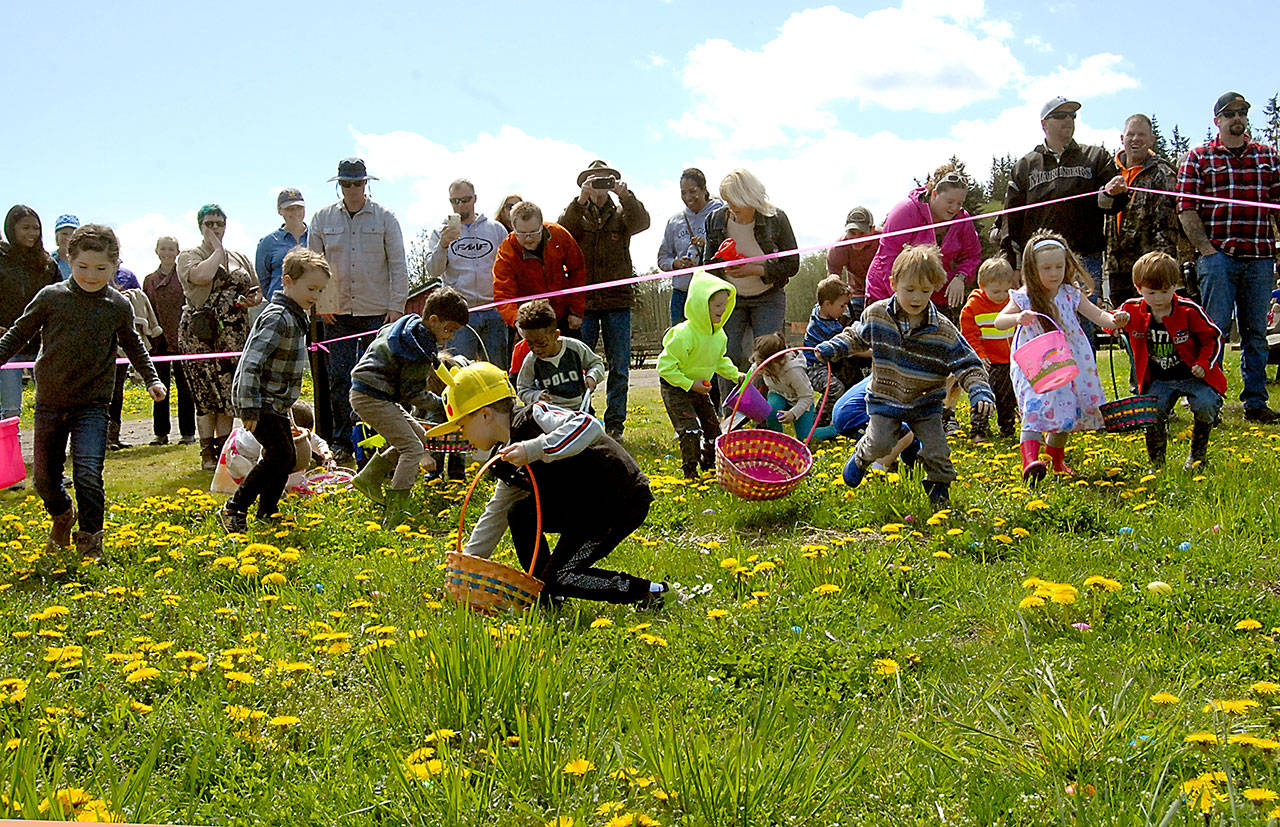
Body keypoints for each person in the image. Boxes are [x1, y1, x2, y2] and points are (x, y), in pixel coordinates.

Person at [425, 361, 668, 607]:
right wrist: (465, 569)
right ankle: (548, 592)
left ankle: (652, 592)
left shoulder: (534, 417)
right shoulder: (505, 458)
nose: (463, 434)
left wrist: (535, 448)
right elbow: (496, 512)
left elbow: (588, 425)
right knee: (519, 513)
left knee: (562, 576)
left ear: (485, 415)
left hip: (618, 501)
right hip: (584, 509)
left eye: (462, 425)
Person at [0, 225, 165, 559]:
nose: (91, 275)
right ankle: (62, 515)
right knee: (45, 480)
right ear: (68, 260)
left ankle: (91, 541)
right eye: (83, 267)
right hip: (50, 402)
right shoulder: (51, 297)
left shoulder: (117, 304)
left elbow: (133, 344)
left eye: (101, 269)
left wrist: (152, 378)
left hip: (93, 404)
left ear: (115, 266)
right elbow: (17, 334)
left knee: (88, 474)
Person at [815, 245, 995, 512]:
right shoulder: (876, 315)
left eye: (925, 290)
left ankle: (939, 491)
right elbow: (855, 336)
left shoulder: (943, 330)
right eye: (909, 289)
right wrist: (834, 348)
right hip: (885, 398)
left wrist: (979, 390)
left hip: (925, 403)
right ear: (893, 283)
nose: (917, 297)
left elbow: (967, 362)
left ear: (935, 288)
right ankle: (861, 457)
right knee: (880, 442)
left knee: (937, 451)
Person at [1177, 91, 1280, 423]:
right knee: (1214, 332)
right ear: (1217, 120)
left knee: (1256, 334)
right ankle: (1210, 402)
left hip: (1261, 257)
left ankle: (1256, 403)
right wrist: (1206, 250)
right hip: (1218, 258)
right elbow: (1186, 209)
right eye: (1230, 113)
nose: (1237, 118)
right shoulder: (1198, 158)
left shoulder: (1268, 156)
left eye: (1242, 113)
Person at [993, 232, 1128, 482]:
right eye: (1046, 268)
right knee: (1033, 407)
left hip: (1067, 361)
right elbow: (999, 321)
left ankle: (1056, 461)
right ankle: (1030, 461)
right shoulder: (1025, 296)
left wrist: (1115, 320)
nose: (1054, 273)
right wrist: (1017, 318)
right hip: (1034, 363)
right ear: (1032, 270)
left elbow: (1098, 316)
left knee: (1066, 411)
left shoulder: (1069, 293)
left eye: (1059, 266)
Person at [217, 249, 331, 534]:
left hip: (276, 403)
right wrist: (249, 407)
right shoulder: (278, 317)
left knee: (286, 456)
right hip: (259, 401)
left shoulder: (295, 316)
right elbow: (250, 363)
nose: (315, 296)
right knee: (279, 455)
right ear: (288, 281)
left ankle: (267, 512)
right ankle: (234, 507)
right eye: (311, 288)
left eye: (320, 290)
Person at [308, 158, 408, 461]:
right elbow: (313, 264)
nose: (352, 188)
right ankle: (341, 441)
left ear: (367, 184)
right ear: (339, 185)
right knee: (339, 376)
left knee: (379, 378)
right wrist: (320, 303)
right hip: (336, 313)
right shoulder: (322, 218)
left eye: (358, 183)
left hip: (377, 312)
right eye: (346, 183)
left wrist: (396, 307)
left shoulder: (386, 218)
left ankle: (382, 439)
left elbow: (398, 264)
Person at [348, 287, 469, 528]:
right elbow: (412, 394)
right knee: (413, 449)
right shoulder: (417, 348)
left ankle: (369, 478)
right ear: (433, 320)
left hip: (375, 395)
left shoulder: (410, 328)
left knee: (421, 437)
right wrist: (444, 404)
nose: (451, 337)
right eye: (449, 329)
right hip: (371, 397)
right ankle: (395, 514)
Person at [558, 160, 650, 440]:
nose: (600, 185)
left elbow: (642, 223)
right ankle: (585, 419)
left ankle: (615, 425)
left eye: (606, 180)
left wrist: (628, 197)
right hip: (583, 302)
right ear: (584, 183)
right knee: (579, 364)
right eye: (594, 180)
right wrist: (579, 201)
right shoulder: (576, 211)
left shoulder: (622, 212)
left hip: (618, 301)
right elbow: (561, 233)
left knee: (619, 365)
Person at [1114, 252, 1225, 470]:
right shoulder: (1132, 308)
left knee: (1206, 404)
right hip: (1158, 378)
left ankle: (1197, 454)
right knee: (1151, 414)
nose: (1158, 299)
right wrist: (1116, 323)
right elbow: (1110, 321)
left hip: (1191, 375)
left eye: (1164, 292)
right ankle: (1157, 463)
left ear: (1175, 286)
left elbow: (1212, 337)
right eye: (1151, 293)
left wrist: (1204, 363)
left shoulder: (1189, 310)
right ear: (1139, 289)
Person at [1001, 97, 1116, 300]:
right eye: (1060, 115)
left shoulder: (1095, 157)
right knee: (1039, 319)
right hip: (1037, 259)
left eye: (1072, 115)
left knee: (1082, 323)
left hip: (1083, 258)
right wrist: (1014, 265)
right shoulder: (1025, 165)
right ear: (1044, 124)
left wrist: (1110, 193)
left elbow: (1112, 206)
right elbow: (1010, 221)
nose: (1068, 120)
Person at [177, 204, 264, 471]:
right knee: (206, 395)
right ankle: (206, 452)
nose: (215, 228)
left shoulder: (239, 256)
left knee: (228, 394)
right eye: (209, 224)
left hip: (235, 334)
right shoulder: (189, 255)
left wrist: (252, 300)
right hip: (201, 335)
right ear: (200, 226)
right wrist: (217, 250)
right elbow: (201, 276)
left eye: (219, 223)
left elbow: (255, 288)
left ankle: (224, 450)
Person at [703, 169, 798, 385]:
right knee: (728, 355)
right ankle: (731, 414)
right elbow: (707, 265)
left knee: (769, 357)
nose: (731, 209)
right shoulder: (715, 220)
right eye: (728, 203)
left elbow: (792, 264)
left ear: (750, 199)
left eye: (735, 203)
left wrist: (756, 269)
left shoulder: (776, 219)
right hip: (730, 299)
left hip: (768, 297)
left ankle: (767, 413)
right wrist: (726, 265)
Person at [657, 271, 742, 479]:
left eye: (725, 305)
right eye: (717, 305)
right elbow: (664, 367)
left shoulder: (719, 335)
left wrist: (736, 375)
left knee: (713, 429)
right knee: (690, 430)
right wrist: (688, 384)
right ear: (701, 305)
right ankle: (690, 472)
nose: (722, 310)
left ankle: (710, 466)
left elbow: (719, 360)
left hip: (699, 387)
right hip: (676, 387)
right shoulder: (684, 334)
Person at [864, 166, 981, 316]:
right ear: (934, 194)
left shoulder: (963, 220)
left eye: (960, 203)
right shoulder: (905, 211)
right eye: (950, 201)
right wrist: (902, 298)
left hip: (932, 297)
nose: (954, 208)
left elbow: (972, 255)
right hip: (886, 293)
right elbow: (887, 257)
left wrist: (960, 277)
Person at [1097, 115, 1181, 307]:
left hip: (1149, 267)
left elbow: (1167, 226)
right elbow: (1101, 207)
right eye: (1131, 134)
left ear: (1152, 139)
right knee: (1122, 324)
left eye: (1141, 135)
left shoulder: (1164, 173)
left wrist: (1162, 267)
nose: (1135, 139)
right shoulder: (1109, 171)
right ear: (1122, 138)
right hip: (1116, 266)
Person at [426, 178, 509, 364]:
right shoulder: (440, 233)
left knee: (498, 369)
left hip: (494, 310)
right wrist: (443, 245)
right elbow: (433, 271)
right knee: (461, 370)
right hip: (460, 314)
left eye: (465, 199)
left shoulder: (495, 229)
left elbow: (509, 268)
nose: (461, 205)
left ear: (475, 199)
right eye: (455, 201)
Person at [0, 206, 60, 424]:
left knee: (53, 403)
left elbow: (61, 300)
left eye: (35, 228)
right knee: (10, 410)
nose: (32, 233)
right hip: (8, 346)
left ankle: (49, 454)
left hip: (43, 345)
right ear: (11, 229)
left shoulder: (47, 263)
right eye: (25, 228)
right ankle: (10, 457)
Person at [492, 200, 586, 337]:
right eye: (522, 233)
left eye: (533, 232)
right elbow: (503, 294)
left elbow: (577, 270)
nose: (529, 239)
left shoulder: (559, 235)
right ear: (513, 228)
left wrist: (576, 311)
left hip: (564, 316)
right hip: (528, 321)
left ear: (541, 225)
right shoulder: (506, 253)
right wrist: (517, 321)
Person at [142, 237, 196, 446]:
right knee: (159, 387)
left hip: (182, 339)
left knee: (185, 388)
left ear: (177, 251)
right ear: (157, 251)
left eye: (171, 249)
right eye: (163, 248)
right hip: (158, 341)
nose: (167, 252)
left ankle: (188, 433)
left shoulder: (183, 276)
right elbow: (145, 309)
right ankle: (161, 433)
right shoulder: (149, 280)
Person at [959, 257, 1019, 440]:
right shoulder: (973, 307)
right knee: (983, 395)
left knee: (1007, 398)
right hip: (986, 362)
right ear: (982, 286)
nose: (1001, 295)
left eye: (1005, 290)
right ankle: (979, 429)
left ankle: (1008, 428)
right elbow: (969, 335)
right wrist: (979, 355)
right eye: (995, 291)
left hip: (1009, 361)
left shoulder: (1013, 302)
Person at [657, 168, 724, 325]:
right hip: (681, 293)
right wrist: (676, 263)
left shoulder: (721, 212)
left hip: (711, 293)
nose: (688, 197)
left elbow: (731, 246)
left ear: (703, 189)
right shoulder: (675, 222)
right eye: (683, 192)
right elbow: (662, 257)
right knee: (680, 343)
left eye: (693, 191)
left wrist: (708, 244)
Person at [514, 299, 605, 410]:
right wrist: (536, 396)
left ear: (556, 335)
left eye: (541, 343)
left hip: (581, 410)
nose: (536, 349)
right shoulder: (531, 360)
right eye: (530, 343)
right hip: (551, 415)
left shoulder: (574, 348)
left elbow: (596, 363)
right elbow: (523, 388)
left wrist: (592, 376)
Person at [750, 332, 835, 442]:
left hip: (800, 400)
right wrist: (744, 381)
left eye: (764, 367)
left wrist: (793, 414)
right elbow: (752, 372)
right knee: (771, 411)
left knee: (805, 437)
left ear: (777, 362)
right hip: (779, 393)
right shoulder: (763, 364)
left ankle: (835, 429)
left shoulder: (793, 371)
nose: (761, 371)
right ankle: (777, 441)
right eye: (759, 365)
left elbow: (807, 397)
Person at [830, 375, 921, 472]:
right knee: (904, 433)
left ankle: (895, 468)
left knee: (903, 433)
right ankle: (876, 475)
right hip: (853, 415)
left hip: (845, 411)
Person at [804, 275, 856, 402]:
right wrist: (871, 352)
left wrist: (832, 281)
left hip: (818, 364)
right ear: (827, 304)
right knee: (836, 388)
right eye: (842, 306)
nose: (844, 311)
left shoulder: (817, 310)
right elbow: (853, 348)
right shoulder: (831, 329)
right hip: (813, 368)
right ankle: (821, 417)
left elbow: (825, 293)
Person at [255, 188, 309, 300]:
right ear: (280, 210)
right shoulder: (267, 243)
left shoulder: (317, 236)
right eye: (290, 209)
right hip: (281, 307)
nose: (295, 212)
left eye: (299, 207)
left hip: (314, 307)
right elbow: (264, 281)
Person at [827, 207, 879, 321]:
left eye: (861, 233)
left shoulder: (885, 239)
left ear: (872, 230)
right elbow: (833, 280)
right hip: (857, 295)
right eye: (852, 232)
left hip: (882, 293)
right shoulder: (838, 248)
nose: (856, 238)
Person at [51, 214, 78, 280]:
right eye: (64, 234)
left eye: (73, 234)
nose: (68, 238)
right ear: (57, 236)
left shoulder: (85, 261)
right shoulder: (49, 261)